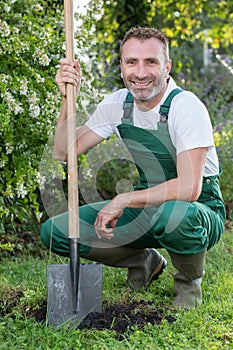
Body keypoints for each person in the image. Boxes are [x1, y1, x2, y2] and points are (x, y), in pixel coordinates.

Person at [40, 26, 226, 309]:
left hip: (198, 210)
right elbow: (64, 151)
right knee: (56, 231)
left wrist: (125, 199)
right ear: (121, 67)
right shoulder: (117, 104)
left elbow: (190, 188)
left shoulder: (186, 106)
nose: (140, 73)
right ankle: (144, 261)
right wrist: (69, 97)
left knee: (175, 213)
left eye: (150, 62)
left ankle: (188, 284)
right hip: (146, 207)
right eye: (132, 62)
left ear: (167, 67)